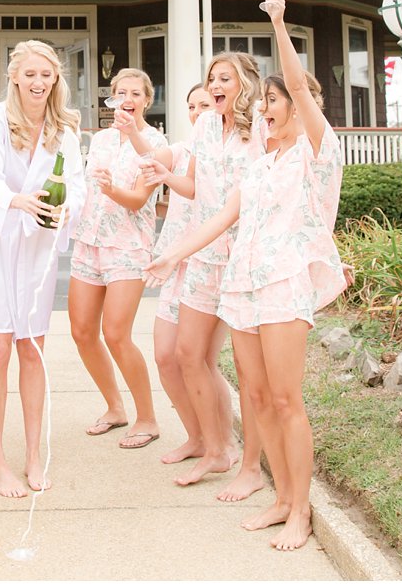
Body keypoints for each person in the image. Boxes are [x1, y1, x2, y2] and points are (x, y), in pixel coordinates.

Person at [146, 0, 349, 551]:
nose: (263, 110)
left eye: (273, 103)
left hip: (284, 287)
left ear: (297, 106)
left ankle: (300, 512)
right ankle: (280, 499)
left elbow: (293, 83)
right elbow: (220, 218)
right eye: (263, 106)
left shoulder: (317, 152)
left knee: (286, 401)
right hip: (242, 287)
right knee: (257, 399)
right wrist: (172, 255)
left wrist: (279, 24)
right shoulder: (260, 162)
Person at [0, 39, 86, 498]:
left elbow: (77, 186)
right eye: (30, 74)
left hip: (37, 252)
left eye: (46, 75)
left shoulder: (65, 128)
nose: (39, 82)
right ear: (13, 76)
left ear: (56, 80)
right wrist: (15, 200)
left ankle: (32, 455)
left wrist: (67, 211)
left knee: (33, 350)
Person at [141, 51, 267, 495]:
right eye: (211, 78)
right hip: (202, 254)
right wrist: (165, 176)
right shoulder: (204, 126)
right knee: (187, 354)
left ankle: (248, 462)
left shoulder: (261, 131)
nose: (215, 85)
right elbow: (194, 187)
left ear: (245, 84)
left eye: (225, 78)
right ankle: (215, 450)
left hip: (244, 259)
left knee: (250, 372)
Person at [67, 67, 168, 450]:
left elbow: (141, 199)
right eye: (120, 93)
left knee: (116, 334)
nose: (127, 99)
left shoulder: (155, 144)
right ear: (112, 99)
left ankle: (148, 418)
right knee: (81, 331)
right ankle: (115, 408)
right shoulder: (102, 140)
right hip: (89, 243)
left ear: (147, 99)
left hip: (128, 247)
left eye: (135, 93)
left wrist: (111, 191)